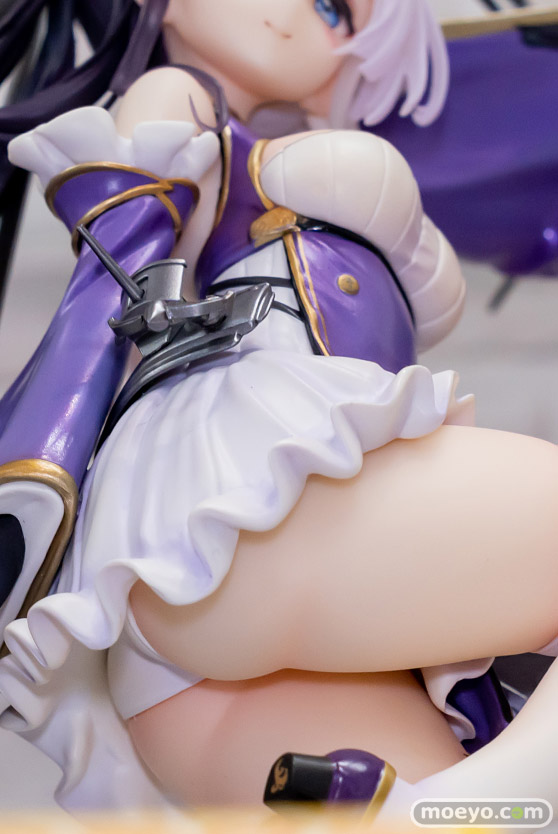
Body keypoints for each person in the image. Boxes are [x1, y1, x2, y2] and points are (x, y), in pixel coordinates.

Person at [0, 0, 557, 824]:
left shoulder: (293, 137)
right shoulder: (185, 97)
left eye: (339, 11)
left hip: (182, 635)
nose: (311, 19)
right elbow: (125, 222)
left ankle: (465, 805)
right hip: (251, 495)